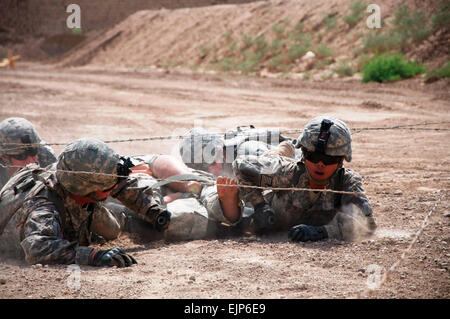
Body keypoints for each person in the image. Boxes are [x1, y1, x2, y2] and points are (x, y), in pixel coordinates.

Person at [0, 138, 169, 267]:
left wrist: (152, 209)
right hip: (42, 235)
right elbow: (38, 249)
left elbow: (119, 182)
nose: (113, 187)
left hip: (78, 209)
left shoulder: (70, 172)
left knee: (111, 228)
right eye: (106, 186)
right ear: (86, 189)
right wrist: (93, 256)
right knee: (110, 228)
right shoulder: (45, 209)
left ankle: (127, 220)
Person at [226, 115, 376, 241]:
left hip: (287, 159)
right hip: (273, 159)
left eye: (329, 160)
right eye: (314, 157)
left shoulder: (346, 182)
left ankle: (285, 148)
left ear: (341, 161)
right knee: (246, 149)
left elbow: (367, 223)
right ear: (304, 155)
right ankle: (282, 148)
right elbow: (241, 165)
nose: (320, 165)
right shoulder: (286, 173)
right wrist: (260, 205)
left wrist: (323, 232)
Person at [105, 153, 244, 242]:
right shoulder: (102, 203)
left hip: (180, 185)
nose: (216, 166)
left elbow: (158, 161)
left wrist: (185, 184)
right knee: (175, 219)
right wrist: (170, 198)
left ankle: (226, 206)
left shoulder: (128, 164)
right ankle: (229, 212)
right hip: (159, 211)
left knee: (205, 187)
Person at [178, 126, 297, 177]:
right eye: (203, 168)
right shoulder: (223, 162)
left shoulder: (246, 151)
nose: (211, 170)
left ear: (220, 150)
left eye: (211, 163)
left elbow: (279, 168)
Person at [0, 117, 57, 189]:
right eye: (21, 156)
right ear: (5, 157)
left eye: (33, 152)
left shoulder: (46, 155)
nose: (31, 161)